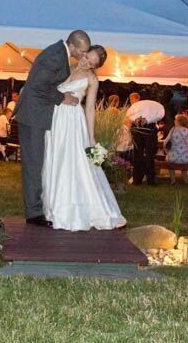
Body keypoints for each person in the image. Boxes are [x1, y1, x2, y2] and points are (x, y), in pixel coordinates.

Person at [42, 45, 126, 230]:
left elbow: (89, 109)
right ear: (84, 52)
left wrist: (91, 137)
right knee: (55, 160)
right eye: (87, 57)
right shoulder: (66, 68)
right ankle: (52, 208)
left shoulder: (92, 79)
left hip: (73, 122)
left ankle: (72, 211)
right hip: (55, 120)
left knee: (74, 163)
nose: (86, 62)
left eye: (91, 62)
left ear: (95, 66)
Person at [14, 30, 90, 226]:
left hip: (38, 115)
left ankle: (36, 208)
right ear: (72, 45)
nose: (84, 55)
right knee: (34, 164)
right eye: (82, 51)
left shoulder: (58, 53)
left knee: (38, 162)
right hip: (33, 115)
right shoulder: (56, 56)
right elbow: (39, 86)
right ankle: (34, 213)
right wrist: (63, 98)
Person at [126, 92, 166, 186]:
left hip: (142, 128)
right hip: (148, 129)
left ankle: (137, 180)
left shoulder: (136, 107)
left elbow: (129, 116)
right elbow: (160, 114)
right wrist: (147, 120)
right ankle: (150, 180)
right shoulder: (152, 106)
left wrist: (141, 120)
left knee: (139, 154)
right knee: (148, 155)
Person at [164, 113, 188, 183]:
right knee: (183, 161)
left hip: (173, 157)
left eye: (175, 120)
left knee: (169, 159)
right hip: (186, 158)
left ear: (178, 121)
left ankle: (173, 180)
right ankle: (185, 180)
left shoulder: (173, 129)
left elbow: (165, 142)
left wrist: (166, 152)